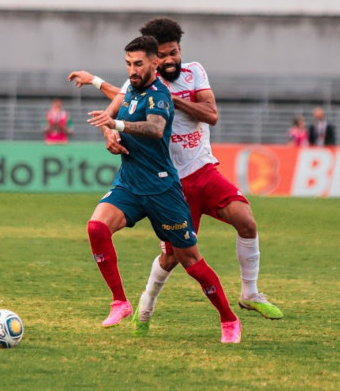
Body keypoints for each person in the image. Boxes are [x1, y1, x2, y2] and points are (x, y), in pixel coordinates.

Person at [70, 17, 282, 338]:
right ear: (154, 57)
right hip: (171, 182)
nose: (170, 60)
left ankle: (249, 293)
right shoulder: (142, 81)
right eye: (164, 55)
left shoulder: (194, 72)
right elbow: (122, 100)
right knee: (173, 258)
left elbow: (211, 114)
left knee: (246, 220)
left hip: (203, 170)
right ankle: (143, 307)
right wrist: (102, 106)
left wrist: (172, 99)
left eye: (174, 53)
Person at [84, 35, 241, 343]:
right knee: (96, 228)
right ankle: (120, 302)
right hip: (129, 184)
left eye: (138, 64)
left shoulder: (160, 94)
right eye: (128, 63)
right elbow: (109, 117)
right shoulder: (130, 90)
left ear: (154, 63)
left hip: (162, 189)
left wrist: (117, 127)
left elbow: (155, 129)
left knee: (190, 261)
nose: (132, 70)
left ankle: (228, 318)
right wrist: (108, 134)